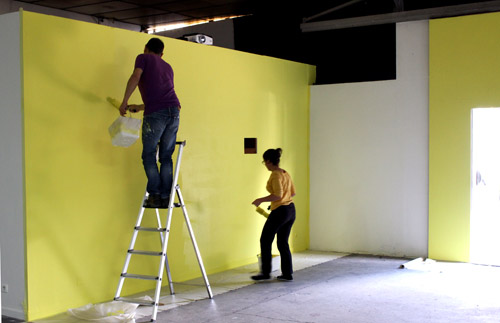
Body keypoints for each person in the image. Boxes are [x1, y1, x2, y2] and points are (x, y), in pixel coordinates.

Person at [119, 38, 181, 208]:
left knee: (148, 154)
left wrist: (124, 101)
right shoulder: (167, 67)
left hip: (156, 114)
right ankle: (165, 196)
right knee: (166, 156)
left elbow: (135, 77)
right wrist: (139, 107)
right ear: (162, 54)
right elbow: (163, 97)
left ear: (146, 48)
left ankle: (154, 194)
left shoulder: (143, 58)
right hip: (174, 111)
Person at [251, 148, 296, 281]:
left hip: (280, 212)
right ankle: (287, 274)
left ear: (269, 161)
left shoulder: (275, 175)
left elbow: (277, 195)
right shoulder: (285, 173)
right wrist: (274, 204)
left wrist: (260, 200)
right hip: (290, 210)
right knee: (282, 242)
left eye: (264, 162)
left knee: (265, 240)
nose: (265, 165)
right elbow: (291, 193)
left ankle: (265, 273)